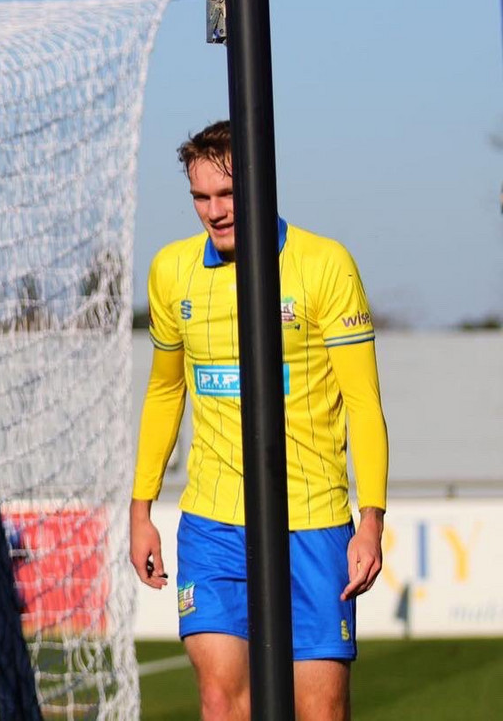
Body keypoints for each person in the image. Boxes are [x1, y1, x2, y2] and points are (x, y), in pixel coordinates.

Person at [129, 120, 388, 721]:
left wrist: (370, 518)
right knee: (221, 700)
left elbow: (364, 405)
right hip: (214, 525)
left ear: (261, 186)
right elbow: (164, 392)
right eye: (200, 197)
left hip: (313, 521)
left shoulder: (324, 265)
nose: (214, 212)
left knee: (319, 711)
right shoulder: (171, 272)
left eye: (226, 195)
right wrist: (140, 509)